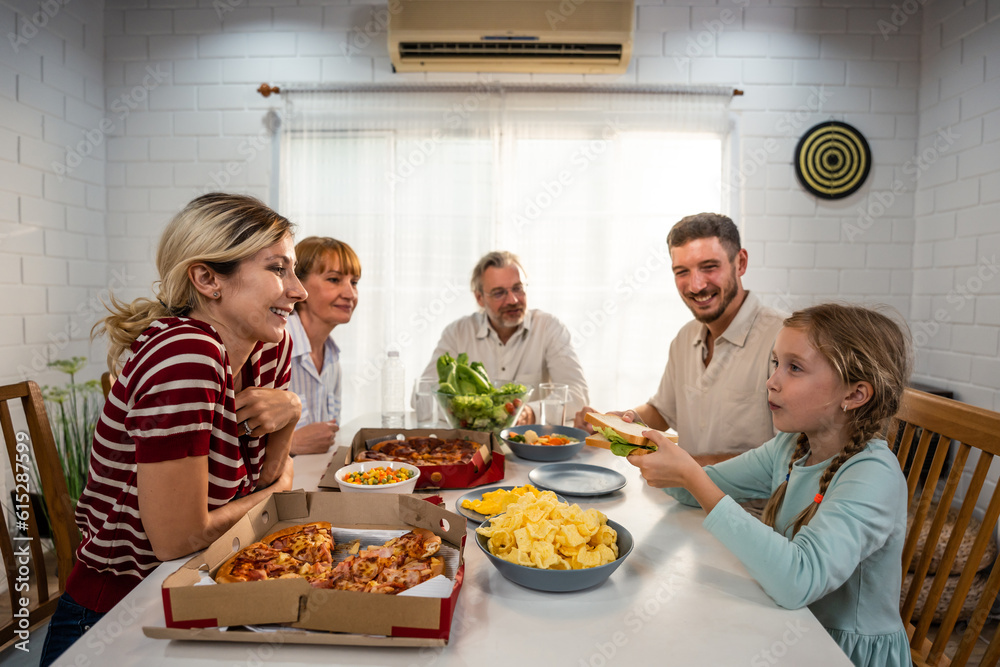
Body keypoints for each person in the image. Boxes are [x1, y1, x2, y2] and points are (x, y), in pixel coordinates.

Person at [40, 193, 305, 667]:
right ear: (207, 279)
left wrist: (291, 411)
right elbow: (177, 537)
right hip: (120, 612)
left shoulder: (267, 347)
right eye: (278, 269)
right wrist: (278, 496)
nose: (298, 290)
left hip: (204, 584)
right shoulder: (185, 353)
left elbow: (265, 478)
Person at [631, 303, 912, 667]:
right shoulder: (791, 446)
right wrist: (645, 445)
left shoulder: (873, 474)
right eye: (776, 363)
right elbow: (692, 490)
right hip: (788, 626)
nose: (772, 381)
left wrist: (689, 474)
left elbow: (799, 579)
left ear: (855, 395)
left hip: (842, 652)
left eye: (794, 368)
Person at [575, 213, 785, 464]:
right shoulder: (685, 338)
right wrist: (625, 421)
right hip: (684, 499)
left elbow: (789, 454)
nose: (695, 286)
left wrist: (687, 467)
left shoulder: (783, 339)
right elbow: (662, 411)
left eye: (709, 267)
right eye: (682, 271)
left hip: (750, 505)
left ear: (740, 263)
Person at [418, 251, 588, 424]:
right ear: (480, 298)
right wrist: (475, 413)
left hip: (528, 444)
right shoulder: (457, 333)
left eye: (518, 288)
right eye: (499, 293)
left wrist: (529, 413)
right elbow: (422, 397)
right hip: (470, 443)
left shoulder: (549, 328)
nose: (513, 300)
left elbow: (577, 394)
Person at [286, 236, 361, 455]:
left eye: (354, 282)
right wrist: (290, 444)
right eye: (334, 280)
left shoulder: (332, 357)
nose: (350, 294)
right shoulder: (272, 347)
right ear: (298, 285)